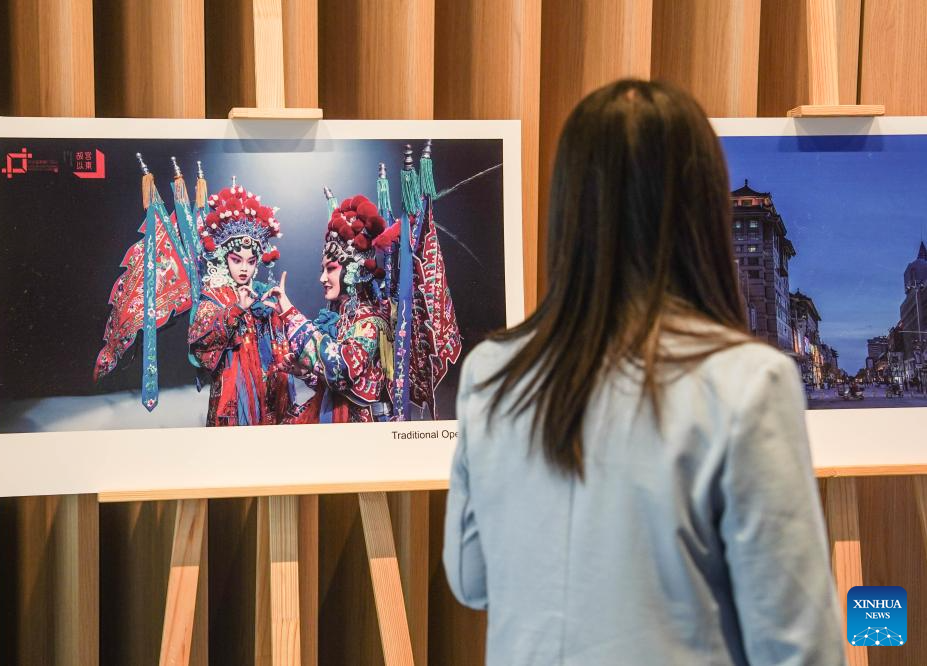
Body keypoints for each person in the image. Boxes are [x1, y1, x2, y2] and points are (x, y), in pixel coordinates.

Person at [443, 80, 845, 664]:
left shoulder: (493, 369)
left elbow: (471, 577)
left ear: (569, 206)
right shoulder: (748, 382)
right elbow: (796, 644)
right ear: (703, 213)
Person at [262, 195, 395, 423]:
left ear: (353, 270)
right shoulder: (344, 316)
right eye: (322, 269)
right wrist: (304, 372)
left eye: (330, 269)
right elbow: (333, 384)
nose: (322, 278)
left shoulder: (370, 320)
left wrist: (290, 313)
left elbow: (340, 371)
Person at [188, 183, 293, 426]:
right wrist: (235, 310)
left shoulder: (264, 294)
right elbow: (200, 341)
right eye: (237, 260)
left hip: (268, 394)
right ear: (224, 258)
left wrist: (282, 315)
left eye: (251, 261)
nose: (245, 268)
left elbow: (282, 346)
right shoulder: (214, 295)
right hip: (232, 397)